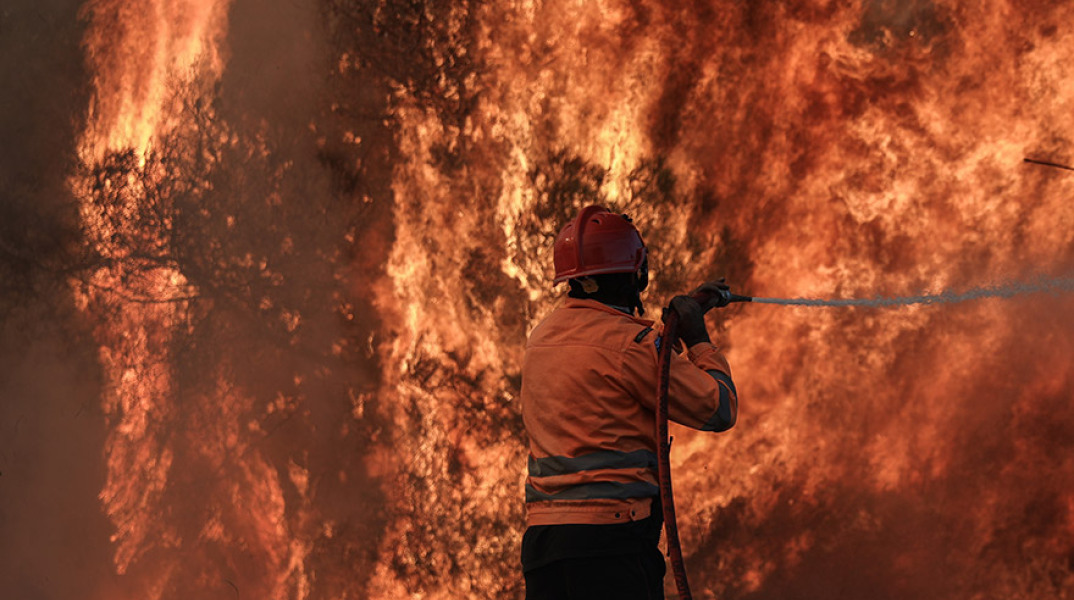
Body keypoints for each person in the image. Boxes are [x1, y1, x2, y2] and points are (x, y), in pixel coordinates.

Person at [520, 205, 739, 600]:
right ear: (636, 273)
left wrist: (664, 342)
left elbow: (610, 381)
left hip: (544, 548)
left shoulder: (541, 340)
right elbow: (719, 408)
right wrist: (697, 339)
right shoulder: (632, 346)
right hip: (611, 546)